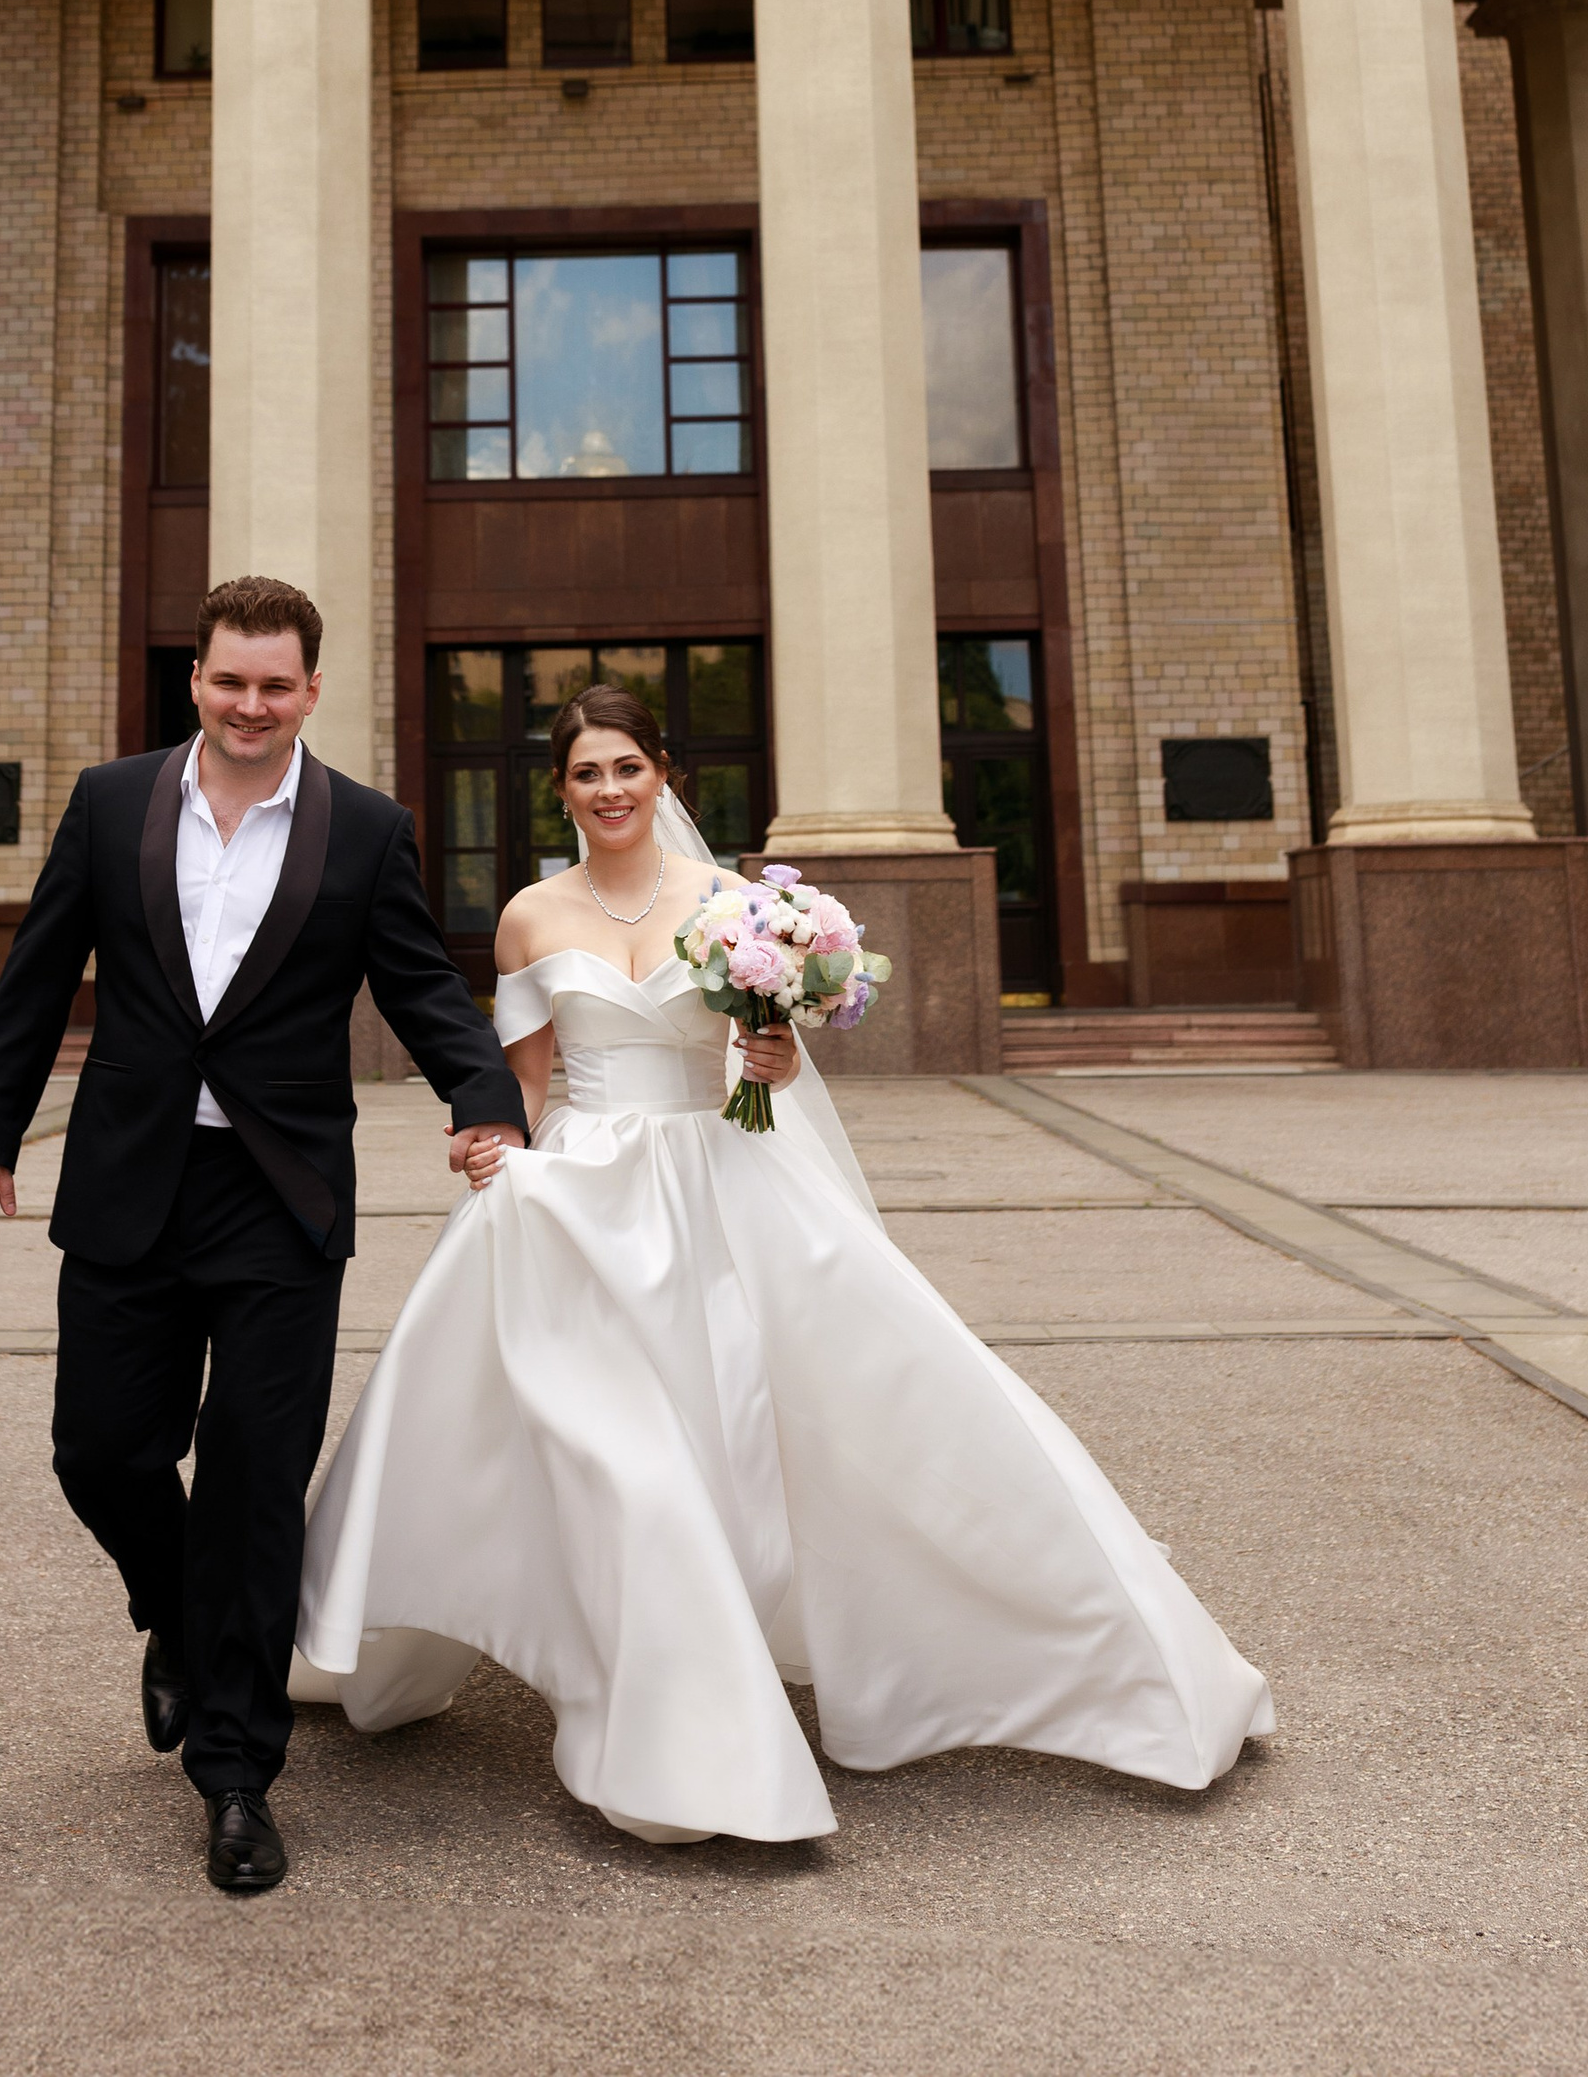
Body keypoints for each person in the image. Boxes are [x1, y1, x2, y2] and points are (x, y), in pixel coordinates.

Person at [294, 682, 1276, 1846]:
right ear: (560, 791)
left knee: (856, 1408)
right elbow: (526, 1079)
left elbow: (781, 1069)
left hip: (717, 1184)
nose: (609, 791)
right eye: (585, 774)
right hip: (576, 1201)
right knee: (602, 1453)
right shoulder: (527, 918)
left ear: (665, 774)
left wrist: (770, 1055)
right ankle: (656, 1711)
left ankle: (1092, 1659)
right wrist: (489, 1142)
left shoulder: (734, 906)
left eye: (626, 767)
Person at [0, 574, 527, 1898]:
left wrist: (485, 1098)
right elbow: (37, 973)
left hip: (280, 1197)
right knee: (98, 1446)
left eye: (275, 683)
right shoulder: (110, 803)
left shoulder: (364, 828)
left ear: (311, 689)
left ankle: (235, 1775)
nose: (250, 703)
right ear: (195, 680)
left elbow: (425, 987)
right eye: (228, 679)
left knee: (258, 1481)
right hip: (129, 1182)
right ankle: (183, 1610)